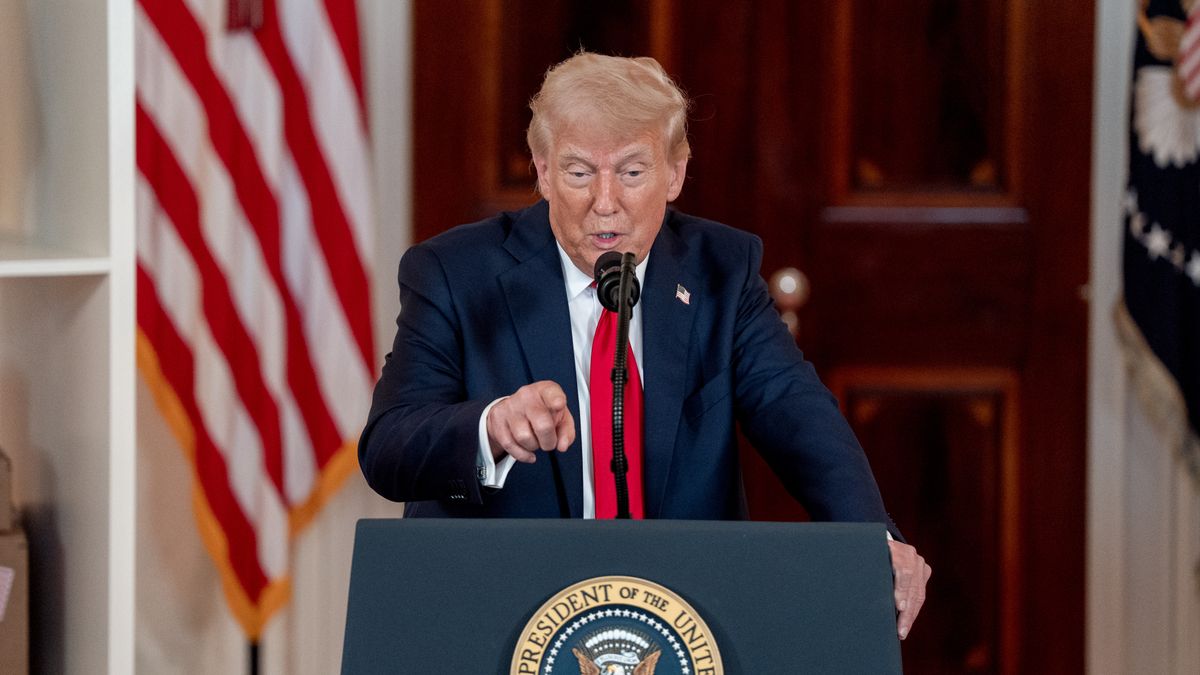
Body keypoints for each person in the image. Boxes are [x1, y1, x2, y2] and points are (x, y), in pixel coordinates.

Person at [359, 52, 930, 639]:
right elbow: (388, 449)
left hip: (679, 619)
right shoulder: (454, 273)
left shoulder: (720, 273)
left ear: (675, 174)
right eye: (580, 172)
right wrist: (489, 426)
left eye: (632, 172)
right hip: (500, 616)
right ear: (542, 171)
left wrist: (873, 542)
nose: (605, 202)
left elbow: (798, 415)